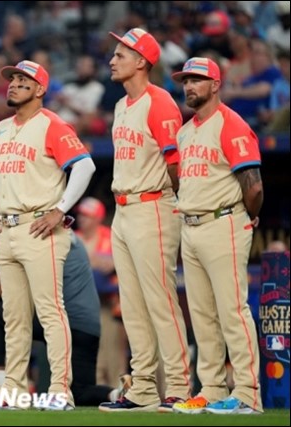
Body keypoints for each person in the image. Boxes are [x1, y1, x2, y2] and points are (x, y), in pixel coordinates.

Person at [0, 59, 97, 410]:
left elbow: (85, 165)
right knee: (14, 316)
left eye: (23, 80)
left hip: (38, 227)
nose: (14, 84)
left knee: (49, 311)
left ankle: (60, 389)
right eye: (12, 79)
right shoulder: (2, 127)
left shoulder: (52, 124)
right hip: (8, 228)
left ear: (41, 89)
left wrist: (60, 208)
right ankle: (15, 390)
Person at [98, 28, 190, 413]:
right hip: (124, 208)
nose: (112, 59)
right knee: (132, 305)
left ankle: (181, 389)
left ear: (142, 61)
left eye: (121, 54)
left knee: (160, 301)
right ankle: (144, 388)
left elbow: (177, 167)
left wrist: (167, 202)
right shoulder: (122, 106)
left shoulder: (160, 102)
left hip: (153, 205)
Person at [171, 57, 264, 415]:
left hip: (223, 222)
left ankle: (248, 394)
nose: (189, 86)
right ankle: (210, 389)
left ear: (215, 85)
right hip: (191, 226)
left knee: (232, 312)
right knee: (202, 315)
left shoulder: (231, 124)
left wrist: (247, 217)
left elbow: (253, 187)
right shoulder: (185, 129)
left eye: (197, 80)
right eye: (186, 81)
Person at [0, 233, 129, 406]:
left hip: (63, 324)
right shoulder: (74, 239)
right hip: (89, 328)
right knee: (78, 391)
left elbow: (3, 289)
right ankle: (117, 394)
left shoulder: (45, 239)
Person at [74, 197, 129, 390]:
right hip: (82, 305)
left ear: (98, 218)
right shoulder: (75, 237)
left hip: (108, 303)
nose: (82, 219)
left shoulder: (110, 236)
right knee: (91, 353)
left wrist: (97, 261)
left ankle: (118, 391)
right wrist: (94, 261)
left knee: (113, 353)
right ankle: (96, 391)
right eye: (81, 215)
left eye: (87, 216)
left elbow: (113, 264)